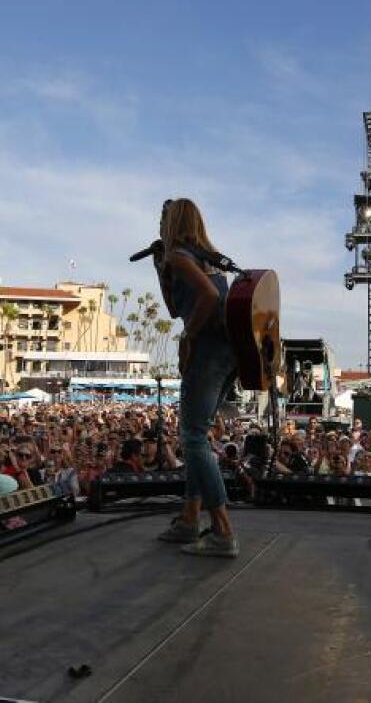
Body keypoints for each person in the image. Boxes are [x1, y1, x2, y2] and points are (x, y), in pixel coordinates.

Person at [152, 198, 240, 558]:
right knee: (196, 435)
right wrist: (160, 266)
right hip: (228, 354)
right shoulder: (208, 258)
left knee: (191, 437)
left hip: (206, 353)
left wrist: (189, 337)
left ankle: (222, 531)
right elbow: (176, 306)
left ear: (172, 222)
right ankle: (189, 518)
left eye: (163, 220)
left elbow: (201, 298)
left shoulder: (181, 257)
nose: (159, 226)